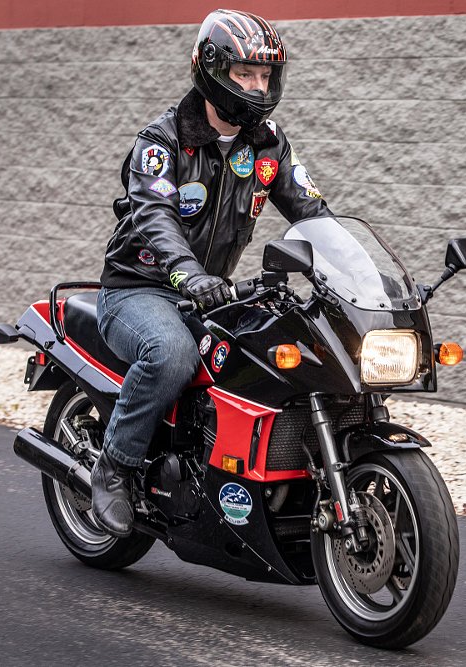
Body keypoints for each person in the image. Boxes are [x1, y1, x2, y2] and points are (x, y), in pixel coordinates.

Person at [91, 9, 332, 537]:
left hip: (213, 293)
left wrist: (353, 274)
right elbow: (153, 215)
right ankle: (115, 465)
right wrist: (186, 276)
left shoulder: (268, 144)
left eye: (265, 75)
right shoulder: (162, 142)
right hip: (139, 289)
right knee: (171, 353)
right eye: (245, 73)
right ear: (212, 71)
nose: (257, 86)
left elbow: (313, 214)